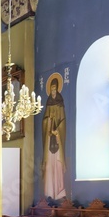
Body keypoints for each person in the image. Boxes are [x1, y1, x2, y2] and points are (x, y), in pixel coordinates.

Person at [41, 73, 68, 202]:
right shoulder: (48, 102)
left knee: (58, 165)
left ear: (57, 89)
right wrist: (48, 123)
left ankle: (59, 191)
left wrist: (57, 131)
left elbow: (63, 120)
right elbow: (44, 120)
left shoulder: (60, 102)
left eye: (54, 89)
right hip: (48, 139)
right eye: (51, 89)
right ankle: (49, 191)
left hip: (57, 140)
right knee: (49, 166)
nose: (52, 91)